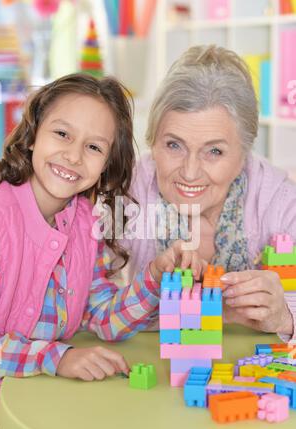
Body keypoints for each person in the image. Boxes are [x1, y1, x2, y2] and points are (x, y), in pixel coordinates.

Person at [0, 73, 196, 397]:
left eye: (93, 147)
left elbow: (103, 318)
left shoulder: (86, 225)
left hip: (39, 400)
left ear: (106, 163)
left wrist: (155, 276)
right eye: (62, 134)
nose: (74, 156)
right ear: (33, 135)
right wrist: (58, 358)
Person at [122, 45, 296, 341]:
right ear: (153, 142)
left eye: (214, 151)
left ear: (244, 155)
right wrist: (220, 313)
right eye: (173, 145)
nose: (190, 172)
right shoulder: (130, 192)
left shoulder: (279, 202)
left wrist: (285, 315)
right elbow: (86, 301)